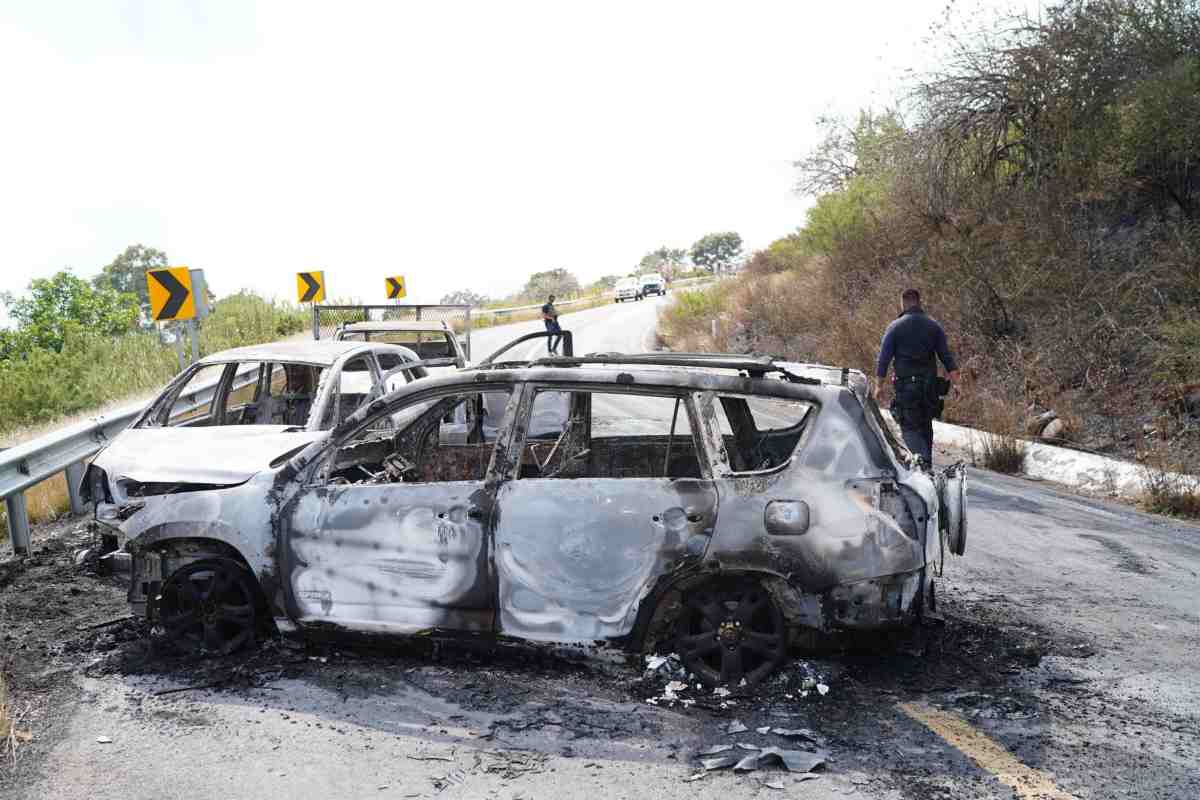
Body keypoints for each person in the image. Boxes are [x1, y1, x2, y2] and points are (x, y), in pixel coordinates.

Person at [874, 288, 959, 467]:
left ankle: (922, 463)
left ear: (903, 302)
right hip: (930, 388)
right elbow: (947, 357)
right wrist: (957, 384)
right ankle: (925, 465)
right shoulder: (933, 326)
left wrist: (878, 386)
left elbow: (884, 359)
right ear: (919, 302)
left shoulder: (895, 326)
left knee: (909, 425)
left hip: (907, 388)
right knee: (925, 424)